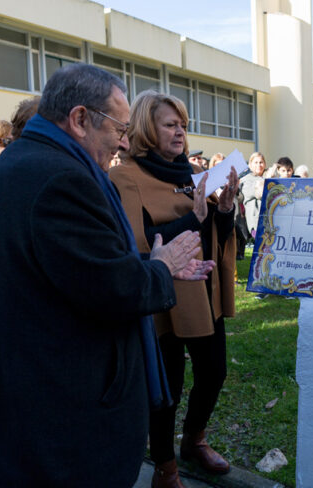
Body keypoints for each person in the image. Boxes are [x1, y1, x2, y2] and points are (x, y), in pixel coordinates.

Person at [0, 64, 213, 488]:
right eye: (119, 127)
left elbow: (73, 267)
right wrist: (162, 267)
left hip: (33, 392)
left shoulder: (21, 163)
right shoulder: (62, 179)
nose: (124, 141)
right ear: (80, 118)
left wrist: (150, 263)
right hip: (69, 411)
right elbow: (113, 289)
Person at [110, 90, 238, 485]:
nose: (180, 132)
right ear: (147, 128)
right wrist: (192, 220)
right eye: (170, 124)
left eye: (182, 124)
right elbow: (138, 244)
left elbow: (215, 233)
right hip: (163, 294)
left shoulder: (192, 174)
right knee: (168, 385)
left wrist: (224, 210)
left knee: (214, 372)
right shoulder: (125, 177)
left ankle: (194, 440)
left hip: (203, 290)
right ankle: (165, 466)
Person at [241, 152, 266, 239]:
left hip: (270, 222)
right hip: (256, 223)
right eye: (256, 162)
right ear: (250, 165)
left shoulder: (267, 178)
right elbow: (259, 193)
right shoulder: (246, 180)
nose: (259, 165)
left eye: (261, 162)